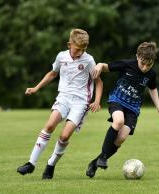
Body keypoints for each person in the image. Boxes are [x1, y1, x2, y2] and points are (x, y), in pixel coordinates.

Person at [17, 28, 103, 179]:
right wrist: (36, 88)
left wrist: (96, 100)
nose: (79, 53)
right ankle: (31, 163)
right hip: (63, 97)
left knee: (64, 136)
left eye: (82, 50)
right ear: (69, 44)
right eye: (77, 49)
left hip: (80, 102)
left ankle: (50, 165)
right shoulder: (61, 57)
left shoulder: (89, 60)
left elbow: (98, 82)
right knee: (49, 125)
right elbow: (52, 73)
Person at [85, 42, 159, 178]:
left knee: (121, 138)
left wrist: (158, 107)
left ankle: (94, 163)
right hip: (117, 100)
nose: (145, 68)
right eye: (142, 64)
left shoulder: (151, 74)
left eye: (149, 64)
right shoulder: (127, 64)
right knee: (118, 121)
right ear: (137, 57)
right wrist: (99, 65)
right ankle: (104, 157)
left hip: (133, 108)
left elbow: (153, 88)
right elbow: (106, 67)